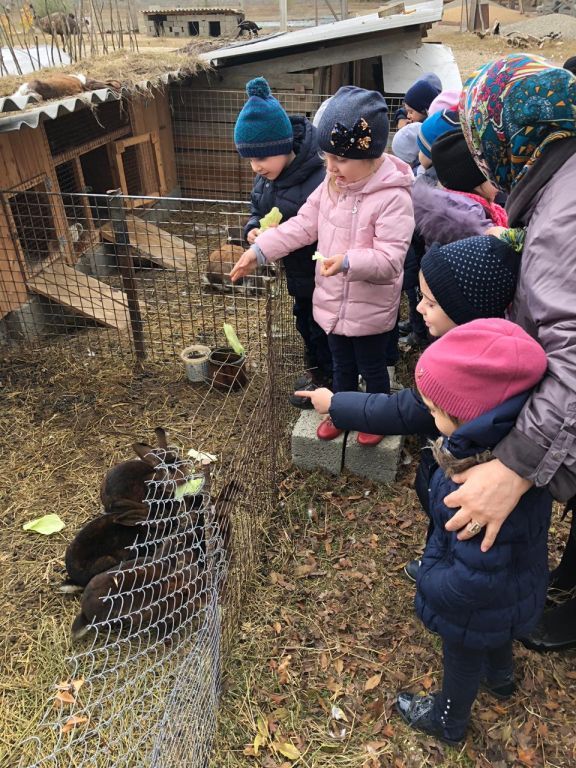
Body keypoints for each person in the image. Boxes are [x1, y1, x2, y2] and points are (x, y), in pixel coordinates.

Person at [296, 234, 521, 580]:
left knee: (456, 539)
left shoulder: (459, 372)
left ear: (463, 311)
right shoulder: (497, 351)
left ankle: (439, 574)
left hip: (459, 485)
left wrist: (336, 403)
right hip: (447, 475)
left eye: (430, 303)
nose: (417, 308)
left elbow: (403, 410)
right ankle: (437, 560)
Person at [450, 53, 576, 652]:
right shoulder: (561, 190)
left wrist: (515, 466)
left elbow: (573, 359)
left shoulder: (563, 216)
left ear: (504, 138)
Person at [231, 85, 415, 445]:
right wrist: (261, 249)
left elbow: (391, 261)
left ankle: (375, 416)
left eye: (340, 160)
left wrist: (348, 261)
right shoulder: (332, 185)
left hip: (370, 308)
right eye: (326, 158)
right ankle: (340, 411)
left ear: (371, 153)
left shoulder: (393, 198)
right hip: (331, 302)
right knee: (341, 366)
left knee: (373, 368)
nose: (330, 168)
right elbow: (303, 224)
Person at [396, 318, 551, 745]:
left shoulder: (477, 484)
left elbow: (472, 580)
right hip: (513, 591)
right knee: (495, 631)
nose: (428, 416)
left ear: (465, 414)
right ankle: (500, 677)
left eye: (433, 410)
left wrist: (429, 579)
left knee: (461, 657)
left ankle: (448, 720)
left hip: (475, 604)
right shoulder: (516, 463)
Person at [233, 76, 331, 408]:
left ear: (285, 147)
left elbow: (315, 226)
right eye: (250, 159)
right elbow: (257, 210)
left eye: (264, 157)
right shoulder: (266, 179)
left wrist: (275, 237)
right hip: (296, 272)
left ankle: (328, 382)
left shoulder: (317, 176)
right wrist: (252, 229)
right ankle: (316, 371)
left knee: (322, 327)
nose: (257, 166)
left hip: (320, 269)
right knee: (304, 320)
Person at [413, 127, 507, 249]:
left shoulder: (470, 208)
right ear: (472, 180)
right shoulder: (469, 226)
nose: (501, 181)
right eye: (494, 176)